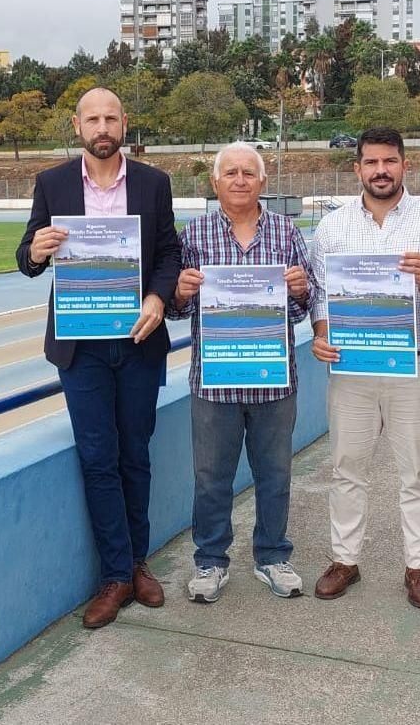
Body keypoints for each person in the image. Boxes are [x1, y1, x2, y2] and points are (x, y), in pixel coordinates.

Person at [16, 87, 183, 629]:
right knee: (97, 457)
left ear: (124, 122)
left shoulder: (154, 183)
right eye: (93, 119)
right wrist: (35, 251)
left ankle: (136, 564)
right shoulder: (52, 182)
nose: (103, 127)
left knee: (135, 454)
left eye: (111, 117)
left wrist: (157, 297)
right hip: (80, 347)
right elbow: (27, 256)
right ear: (78, 126)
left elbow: (169, 253)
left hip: (138, 340)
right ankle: (115, 575)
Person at [307, 126, 420, 608]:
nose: (381, 170)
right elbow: (320, 295)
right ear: (357, 168)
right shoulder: (332, 228)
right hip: (352, 367)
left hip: (416, 365)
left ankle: (419, 566)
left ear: (404, 165)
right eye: (371, 162)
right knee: (346, 468)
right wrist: (321, 333)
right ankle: (344, 560)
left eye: (389, 161)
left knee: (417, 472)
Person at [167, 142, 315, 603]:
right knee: (212, 478)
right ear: (215, 182)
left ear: (262, 182)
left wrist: (300, 289)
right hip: (215, 382)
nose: (239, 180)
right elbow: (175, 310)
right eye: (230, 172)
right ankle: (210, 561)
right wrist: (180, 292)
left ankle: (272, 556)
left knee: (275, 475)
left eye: (248, 173)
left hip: (273, 380)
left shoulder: (286, 233)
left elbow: (305, 304)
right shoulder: (194, 235)